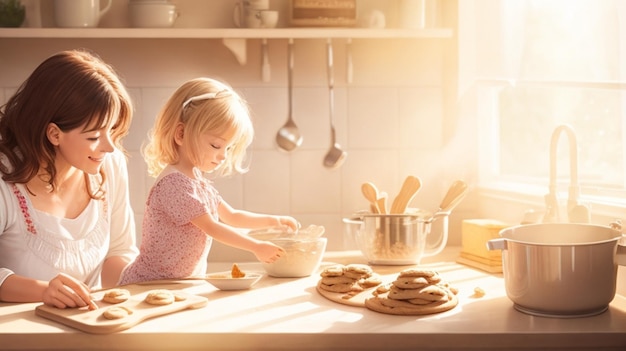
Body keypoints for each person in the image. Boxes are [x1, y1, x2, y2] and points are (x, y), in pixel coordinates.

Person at [119, 77, 298, 285]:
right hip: (148, 284)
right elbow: (212, 227)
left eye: (228, 148)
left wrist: (273, 221)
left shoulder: (198, 183)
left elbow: (232, 216)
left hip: (175, 285)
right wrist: (256, 247)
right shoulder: (174, 185)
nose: (223, 156)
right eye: (216, 145)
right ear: (181, 134)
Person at [0, 50, 139, 310]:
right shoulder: (5, 179)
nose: (109, 146)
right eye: (94, 136)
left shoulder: (110, 165)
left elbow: (120, 250)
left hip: (92, 329)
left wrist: (141, 284)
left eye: (112, 130)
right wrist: (44, 291)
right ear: (54, 133)